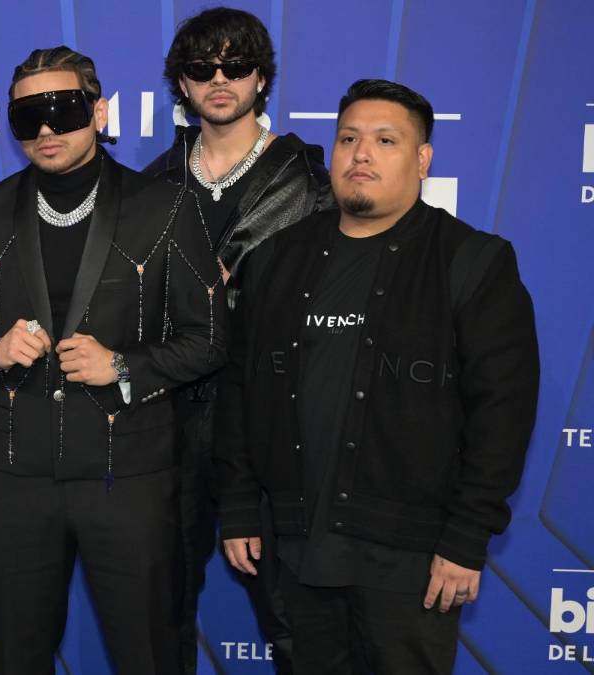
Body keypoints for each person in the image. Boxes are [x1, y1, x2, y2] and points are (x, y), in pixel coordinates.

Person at [214, 79, 539, 673]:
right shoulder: (274, 259)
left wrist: (467, 537)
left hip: (412, 558)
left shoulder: (472, 260)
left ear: (423, 160)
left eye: (385, 140)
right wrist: (237, 504)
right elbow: (241, 392)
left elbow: (503, 413)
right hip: (296, 547)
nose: (361, 153)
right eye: (348, 139)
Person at [0, 46, 226, 675]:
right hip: (14, 478)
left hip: (129, 475)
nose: (45, 128)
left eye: (62, 109)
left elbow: (211, 337)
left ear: (99, 111)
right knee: (16, 657)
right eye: (26, 116)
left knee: (148, 655)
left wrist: (124, 366)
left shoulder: (166, 208)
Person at [143, 8, 333, 671]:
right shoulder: (153, 184)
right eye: (202, 68)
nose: (219, 79)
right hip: (170, 419)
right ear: (182, 83)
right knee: (160, 612)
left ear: (261, 77)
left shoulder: (307, 183)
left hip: (272, 420)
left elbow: (332, 308)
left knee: (293, 616)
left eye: (236, 65)